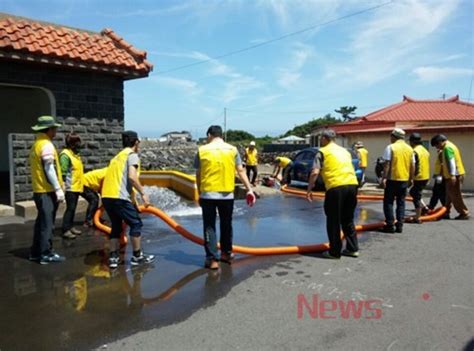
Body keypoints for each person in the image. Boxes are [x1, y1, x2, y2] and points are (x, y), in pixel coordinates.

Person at [195, 125, 256, 270]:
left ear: (209, 135)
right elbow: (241, 171)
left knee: (209, 226)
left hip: (208, 194)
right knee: (226, 224)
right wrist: (249, 189)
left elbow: (198, 174)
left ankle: (212, 260)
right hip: (227, 195)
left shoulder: (202, 150)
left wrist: (199, 193)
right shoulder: (232, 149)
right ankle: (226, 254)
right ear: (221, 135)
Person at [101, 130, 155, 269]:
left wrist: (133, 202)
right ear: (136, 142)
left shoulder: (117, 157)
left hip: (107, 196)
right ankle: (137, 256)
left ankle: (113, 257)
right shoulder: (132, 155)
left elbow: (121, 180)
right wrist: (143, 193)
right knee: (136, 224)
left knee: (116, 226)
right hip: (119, 197)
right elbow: (132, 177)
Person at [306, 129, 359, 259]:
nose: (319, 140)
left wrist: (309, 189)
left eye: (320, 138)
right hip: (352, 185)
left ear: (324, 138)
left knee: (333, 220)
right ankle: (352, 249)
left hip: (336, 187)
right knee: (348, 218)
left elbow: (315, 172)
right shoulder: (345, 151)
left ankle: (334, 252)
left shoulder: (322, 152)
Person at [28, 115, 66, 264]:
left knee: (41, 223)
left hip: (38, 190)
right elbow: (49, 168)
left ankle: (35, 252)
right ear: (49, 129)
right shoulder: (46, 145)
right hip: (47, 191)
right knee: (48, 224)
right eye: (54, 128)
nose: (56, 130)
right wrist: (58, 189)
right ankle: (46, 253)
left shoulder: (36, 144)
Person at [380, 128, 415, 233]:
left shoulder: (390, 147)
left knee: (388, 202)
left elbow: (387, 164)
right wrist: (411, 178)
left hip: (392, 179)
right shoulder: (409, 149)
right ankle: (400, 225)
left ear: (393, 136)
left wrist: (383, 178)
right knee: (401, 202)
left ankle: (390, 225)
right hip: (404, 179)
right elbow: (412, 165)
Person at [430, 134, 469, 220]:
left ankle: (463, 213)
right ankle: (445, 211)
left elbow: (451, 162)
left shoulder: (447, 148)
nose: (437, 147)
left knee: (455, 195)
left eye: (437, 145)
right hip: (453, 175)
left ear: (440, 142)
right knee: (448, 195)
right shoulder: (449, 146)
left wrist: (452, 175)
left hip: (454, 175)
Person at [60, 133, 84, 239]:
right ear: (72, 143)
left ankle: (70, 226)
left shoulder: (75, 154)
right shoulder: (65, 155)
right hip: (70, 187)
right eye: (78, 142)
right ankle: (65, 229)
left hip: (77, 186)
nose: (80, 144)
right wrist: (63, 185)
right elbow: (63, 172)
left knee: (73, 208)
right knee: (70, 208)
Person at [408, 133, 430, 223]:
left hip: (419, 176)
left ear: (412, 142)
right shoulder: (425, 150)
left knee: (415, 195)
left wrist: (411, 178)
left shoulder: (414, 151)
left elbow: (414, 166)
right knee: (414, 192)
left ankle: (418, 217)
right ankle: (424, 208)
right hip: (425, 176)